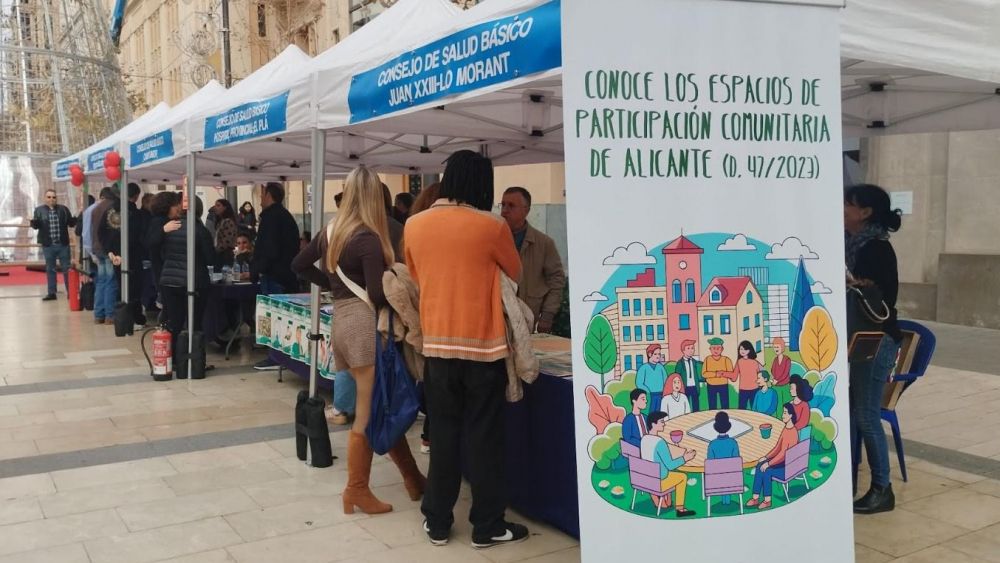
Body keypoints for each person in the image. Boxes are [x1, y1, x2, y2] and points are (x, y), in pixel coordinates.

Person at [404, 150, 528, 548]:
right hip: (483, 348)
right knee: (484, 439)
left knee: (443, 435)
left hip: (436, 345)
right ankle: (487, 525)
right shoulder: (492, 227)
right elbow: (515, 273)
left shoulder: (414, 225)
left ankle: (437, 521)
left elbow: (416, 276)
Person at [291, 165, 424, 517]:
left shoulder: (331, 230)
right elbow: (378, 294)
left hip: (341, 322)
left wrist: (332, 285)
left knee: (377, 404)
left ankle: (413, 478)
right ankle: (356, 490)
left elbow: (299, 264)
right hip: (364, 325)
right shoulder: (366, 237)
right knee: (366, 413)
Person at [845, 183, 903, 515]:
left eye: (848, 204)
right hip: (863, 338)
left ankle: (883, 489)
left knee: (867, 415)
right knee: (858, 413)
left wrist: (853, 285)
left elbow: (882, 301)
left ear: (864, 212)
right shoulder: (854, 244)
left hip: (875, 340)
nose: (842, 209)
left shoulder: (876, 249)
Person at [158, 196, 215, 377]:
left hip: (169, 280)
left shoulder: (171, 227)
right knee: (193, 323)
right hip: (194, 282)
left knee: (174, 322)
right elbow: (210, 258)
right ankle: (192, 360)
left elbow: (162, 252)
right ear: (199, 210)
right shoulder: (200, 230)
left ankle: (176, 360)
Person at [499, 186, 566, 333]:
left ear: (526, 210)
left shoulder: (544, 243)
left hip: (528, 320)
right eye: (503, 205)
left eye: (511, 205)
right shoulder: (493, 240)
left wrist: (547, 315)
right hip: (498, 320)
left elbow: (556, 280)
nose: (504, 210)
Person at [251, 183, 300, 371]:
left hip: (275, 276)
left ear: (269, 195)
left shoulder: (272, 218)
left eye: (262, 194)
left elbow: (269, 249)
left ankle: (276, 357)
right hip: (283, 274)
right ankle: (278, 355)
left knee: (274, 317)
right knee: (277, 317)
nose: (260, 199)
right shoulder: (284, 216)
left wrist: (258, 268)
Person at [642, 411, 697, 517]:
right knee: (682, 477)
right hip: (659, 481)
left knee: (670, 473)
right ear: (653, 424)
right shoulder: (660, 442)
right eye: (661, 422)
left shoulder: (644, 439)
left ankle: (663, 501)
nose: (664, 424)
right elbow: (670, 465)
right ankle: (680, 509)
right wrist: (685, 458)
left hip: (647, 479)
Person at [747, 403, 799, 510]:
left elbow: (783, 454)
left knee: (767, 470)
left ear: (791, 415)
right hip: (783, 461)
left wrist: (769, 463)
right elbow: (778, 447)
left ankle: (767, 500)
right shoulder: (786, 429)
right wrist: (766, 457)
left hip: (787, 466)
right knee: (759, 465)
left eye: (785, 413)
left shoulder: (792, 432)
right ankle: (755, 497)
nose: (782, 415)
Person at [30, 189, 76, 300]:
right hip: (48, 245)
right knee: (50, 269)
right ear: (45, 198)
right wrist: (32, 222)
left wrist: (77, 218)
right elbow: (36, 226)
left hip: (63, 244)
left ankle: (71, 292)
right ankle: (51, 293)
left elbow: (71, 223)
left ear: (56, 198)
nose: (51, 199)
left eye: (54, 197)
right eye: (49, 197)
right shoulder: (39, 210)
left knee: (66, 269)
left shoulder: (63, 209)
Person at [145, 192, 181, 316]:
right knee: (169, 307)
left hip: (166, 271)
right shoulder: (159, 222)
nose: (179, 208)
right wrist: (163, 230)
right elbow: (150, 242)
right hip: (163, 270)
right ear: (167, 207)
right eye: (176, 205)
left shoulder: (169, 221)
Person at [89, 187, 119, 324]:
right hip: (108, 249)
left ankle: (98, 314)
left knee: (101, 281)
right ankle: (110, 315)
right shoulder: (113, 208)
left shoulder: (95, 209)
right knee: (111, 281)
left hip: (97, 248)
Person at [707, 411, 741, 505]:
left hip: (715, 480)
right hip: (733, 479)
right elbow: (736, 461)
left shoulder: (712, 444)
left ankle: (724, 500)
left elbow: (710, 463)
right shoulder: (733, 443)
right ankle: (727, 500)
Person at [703, 337, 736, 410]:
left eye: (718, 348)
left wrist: (723, 373)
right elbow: (704, 374)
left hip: (723, 385)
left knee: (725, 405)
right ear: (710, 349)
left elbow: (731, 374)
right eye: (713, 348)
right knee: (712, 406)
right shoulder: (707, 359)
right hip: (711, 385)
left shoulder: (726, 360)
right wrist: (715, 374)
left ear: (722, 349)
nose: (716, 350)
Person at [636, 344, 668, 415]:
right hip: (650, 395)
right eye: (655, 354)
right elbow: (639, 383)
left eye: (659, 354)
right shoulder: (643, 368)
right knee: (651, 413)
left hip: (661, 394)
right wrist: (647, 391)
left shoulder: (661, 367)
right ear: (650, 354)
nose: (658, 356)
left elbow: (666, 381)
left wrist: (665, 391)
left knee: (660, 413)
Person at [674, 339, 704, 412]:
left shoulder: (695, 362)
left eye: (692, 348)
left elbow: (700, 375)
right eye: (688, 348)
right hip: (685, 387)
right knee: (685, 405)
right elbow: (677, 376)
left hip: (694, 386)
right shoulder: (680, 363)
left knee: (696, 406)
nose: (691, 350)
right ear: (683, 350)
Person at [733, 341, 764, 410]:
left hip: (755, 389)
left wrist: (762, 385)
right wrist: (723, 373)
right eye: (741, 349)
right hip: (743, 390)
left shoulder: (755, 362)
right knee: (742, 409)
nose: (743, 351)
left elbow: (762, 373)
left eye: (745, 349)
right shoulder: (739, 361)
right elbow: (734, 377)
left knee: (755, 409)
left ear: (749, 350)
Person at [211, 199, 238, 267]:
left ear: (225, 207)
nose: (215, 208)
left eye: (218, 205)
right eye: (215, 205)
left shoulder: (228, 222)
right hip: (220, 253)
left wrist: (215, 251)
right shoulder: (220, 221)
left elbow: (226, 241)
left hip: (225, 254)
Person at [770, 337, 793, 408]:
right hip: (776, 386)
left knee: (786, 405)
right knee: (776, 404)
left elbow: (785, 373)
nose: (776, 349)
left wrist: (777, 380)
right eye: (774, 347)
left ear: (782, 347)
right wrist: (773, 380)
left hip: (785, 386)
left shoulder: (787, 359)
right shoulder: (775, 360)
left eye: (777, 347)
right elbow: (772, 370)